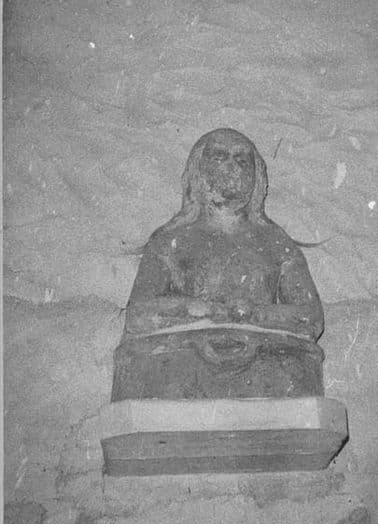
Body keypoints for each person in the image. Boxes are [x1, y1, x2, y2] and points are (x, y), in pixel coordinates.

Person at [112, 128, 325, 400]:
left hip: (264, 356)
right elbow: (139, 314)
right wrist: (205, 311)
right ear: (198, 170)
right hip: (183, 355)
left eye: (242, 160)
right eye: (219, 156)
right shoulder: (171, 240)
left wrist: (256, 314)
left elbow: (310, 317)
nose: (232, 165)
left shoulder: (275, 242)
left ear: (256, 176)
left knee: (293, 366)